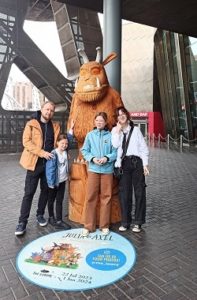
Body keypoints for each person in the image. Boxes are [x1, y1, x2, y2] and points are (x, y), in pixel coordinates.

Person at [15, 101, 60, 236]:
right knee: (29, 193)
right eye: (47, 109)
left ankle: (40, 214)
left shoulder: (56, 126)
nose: (49, 112)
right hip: (34, 163)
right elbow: (26, 142)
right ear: (42, 109)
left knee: (45, 191)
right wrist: (42, 153)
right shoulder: (32, 124)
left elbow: (58, 143)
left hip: (49, 165)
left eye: (52, 110)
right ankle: (22, 222)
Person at [111, 106, 149, 233]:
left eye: (123, 114)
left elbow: (143, 149)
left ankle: (138, 222)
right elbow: (115, 145)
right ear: (117, 118)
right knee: (124, 194)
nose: (121, 116)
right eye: (118, 115)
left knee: (139, 193)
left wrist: (145, 165)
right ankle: (125, 222)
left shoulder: (136, 130)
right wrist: (118, 130)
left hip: (136, 163)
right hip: (124, 164)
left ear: (127, 115)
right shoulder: (115, 131)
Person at [81, 112, 117, 237]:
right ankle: (88, 226)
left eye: (101, 120)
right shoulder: (90, 135)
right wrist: (92, 158)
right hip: (93, 170)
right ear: (94, 122)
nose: (99, 122)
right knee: (90, 197)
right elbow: (84, 150)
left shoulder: (111, 136)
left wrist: (107, 158)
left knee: (106, 198)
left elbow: (115, 152)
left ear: (106, 122)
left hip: (107, 171)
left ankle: (104, 225)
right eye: (97, 120)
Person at [46, 131, 73, 230]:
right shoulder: (53, 154)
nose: (64, 145)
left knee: (59, 200)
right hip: (54, 182)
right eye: (62, 143)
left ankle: (59, 220)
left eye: (66, 144)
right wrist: (51, 183)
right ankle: (51, 217)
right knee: (51, 200)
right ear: (57, 142)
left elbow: (68, 139)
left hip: (62, 181)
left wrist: (70, 131)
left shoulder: (65, 152)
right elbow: (50, 170)